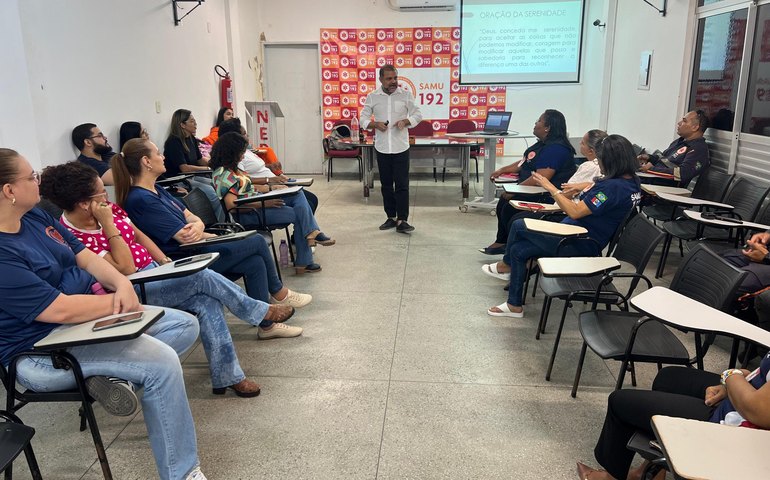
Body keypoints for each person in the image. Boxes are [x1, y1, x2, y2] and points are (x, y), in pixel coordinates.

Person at [0, 148, 208, 480]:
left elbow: (84, 256)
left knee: (182, 325)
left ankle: (116, 378)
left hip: (83, 323)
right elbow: (58, 309)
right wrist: (117, 303)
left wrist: (121, 286)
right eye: (30, 177)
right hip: (39, 353)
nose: (37, 182)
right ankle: (182, 473)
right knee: (161, 363)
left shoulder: (36, 217)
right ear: (9, 191)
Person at [40, 162, 310, 396]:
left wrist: (165, 262)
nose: (106, 196)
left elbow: (138, 235)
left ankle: (229, 377)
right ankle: (260, 312)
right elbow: (125, 266)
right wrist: (108, 225)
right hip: (133, 289)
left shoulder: (109, 209)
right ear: (84, 204)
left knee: (207, 302)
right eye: (100, 193)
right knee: (202, 276)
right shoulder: (73, 236)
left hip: (156, 272)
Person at [112, 138, 309, 334]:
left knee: (255, 262)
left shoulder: (157, 190)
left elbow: (191, 217)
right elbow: (184, 237)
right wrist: (202, 231)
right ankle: (279, 294)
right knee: (256, 240)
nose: (163, 157)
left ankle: (267, 327)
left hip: (198, 245)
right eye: (157, 153)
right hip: (185, 257)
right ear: (146, 161)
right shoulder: (140, 199)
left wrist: (198, 226)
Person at [483, 134, 642, 318]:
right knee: (519, 249)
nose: (599, 163)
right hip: (576, 234)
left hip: (579, 242)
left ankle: (505, 266)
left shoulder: (611, 188)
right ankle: (514, 306)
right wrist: (584, 186)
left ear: (612, 160)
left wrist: (551, 188)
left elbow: (576, 212)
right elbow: (605, 193)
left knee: (519, 225)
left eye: (601, 159)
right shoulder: (631, 182)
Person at [575, 356, 770, 480]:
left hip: (737, 427)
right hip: (744, 398)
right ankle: (650, 471)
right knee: (668, 378)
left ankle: (611, 477)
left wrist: (731, 375)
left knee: (620, 403)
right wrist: (739, 380)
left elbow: (758, 410)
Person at [209, 132, 335, 274]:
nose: (243, 156)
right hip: (251, 213)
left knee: (297, 193)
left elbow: (247, 185)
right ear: (231, 153)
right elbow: (232, 206)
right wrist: (265, 203)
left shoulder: (233, 169)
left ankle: (311, 235)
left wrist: (270, 185)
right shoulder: (223, 175)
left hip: (258, 201)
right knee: (300, 213)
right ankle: (305, 258)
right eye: (241, 153)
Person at [482, 110, 577, 254]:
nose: (535, 123)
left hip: (545, 195)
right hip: (531, 189)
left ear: (548, 127)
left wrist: (515, 191)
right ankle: (502, 241)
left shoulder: (556, 149)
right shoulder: (542, 145)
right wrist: (502, 170)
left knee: (509, 207)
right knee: (503, 202)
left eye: (539, 121)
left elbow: (540, 178)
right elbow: (524, 163)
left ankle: (509, 246)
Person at [360, 64, 423, 234]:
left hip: (401, 147)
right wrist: (375, 124)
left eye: (395, 77)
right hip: (382, 148)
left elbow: (418, 114)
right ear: (381, 79)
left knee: (402, 185)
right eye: (389, 79)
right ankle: (391, 217)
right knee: (386, 185)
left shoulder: (405, 95)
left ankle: (402, 220)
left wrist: (406, 121)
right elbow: (363, 119)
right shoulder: (373, 97)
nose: (393, 81)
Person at [218, 118, 319, 213]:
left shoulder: (244, 153)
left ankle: (308, 231)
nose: (247, 136)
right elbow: (234, 204)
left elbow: (246, 181)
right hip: (260, 198)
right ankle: (308, 231)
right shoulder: (230, 168)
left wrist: (272, 170)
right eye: (244, 134)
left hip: (267, 188)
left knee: (307, 199)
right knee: (302, 205)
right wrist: (269, 184)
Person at [163, 109, 224, 221]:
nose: (195, 124)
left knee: (217, 185)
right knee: (213, 193)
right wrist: (207, 168)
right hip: (179, 180)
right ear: (182, 124)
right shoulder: (173, 142)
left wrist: (217, 164)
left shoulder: (191, 139)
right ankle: (220, 224)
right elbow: (184, 168)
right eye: (192, 121)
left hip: (192, 176)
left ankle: (225, 221)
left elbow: (200, 160)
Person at [638, 110, 710, 188]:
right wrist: (649, 158)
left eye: (684, 121)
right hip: (649, 181)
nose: (679, 123)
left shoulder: (699, 149)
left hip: (663, 189)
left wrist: (650, 169)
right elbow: (663, 159)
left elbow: (682, 174)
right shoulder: (680, 141)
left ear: (695, 127)